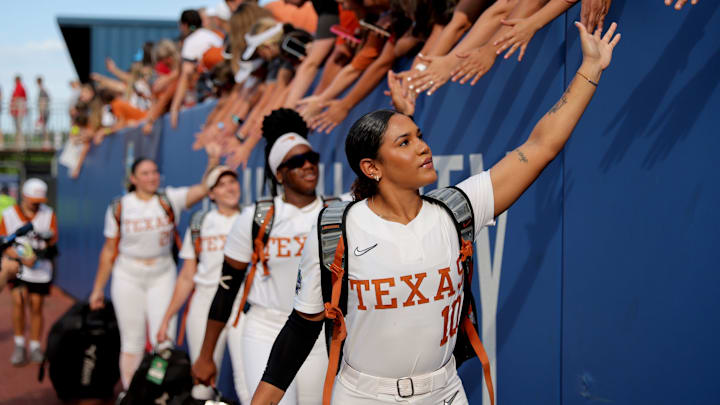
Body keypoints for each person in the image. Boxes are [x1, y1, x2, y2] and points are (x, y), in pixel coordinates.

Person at [251, 21, 621, 405]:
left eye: (420, 136)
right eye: (405, 142)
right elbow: (300, 331)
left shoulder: (457, 208)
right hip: (363, 396)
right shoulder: (336, 230)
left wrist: (590, 69)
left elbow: (542, 145)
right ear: (371, 168)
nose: (423, 148)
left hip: (445, 392)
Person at [193, 109, 332, 404]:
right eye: (296, 162)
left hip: (317, 331)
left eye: (312, 158)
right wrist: (206, 355)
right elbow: (227, 289)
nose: (308, 166)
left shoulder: (335, 212)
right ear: (279, 173)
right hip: (266, 329)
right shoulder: (256, 217)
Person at [88, 144, 221, 391]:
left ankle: (159, 392)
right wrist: (97, 289)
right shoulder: (120, 206)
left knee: (163, 340)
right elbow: (108, 251)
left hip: (162, 274)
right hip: (128, 274)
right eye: (145, 173)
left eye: (154, 172)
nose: (151, 177)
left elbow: (204, 189)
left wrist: (212, 160)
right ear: (133, 178)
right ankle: (132, 393)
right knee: (132, 342)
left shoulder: (169, 199)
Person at [155, 165, 250, 403]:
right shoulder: (200, 222)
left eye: (232, 182)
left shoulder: (251, 218)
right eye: (221, 184)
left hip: (243, 305)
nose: (229, 188)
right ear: (211, 193)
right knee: (203, 382)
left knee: (248, 383)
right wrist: (167, 317)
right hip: (206, 303)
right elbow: (187, 276)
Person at [0, 178, 58, 366]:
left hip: (40, 269)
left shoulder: (48, 214)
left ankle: (34, 346)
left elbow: (52, 243)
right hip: (16, 267)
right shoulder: (9, 214)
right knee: (18, 301)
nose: (36, 205)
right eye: (33, 200)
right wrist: (20, 257)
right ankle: (19, 344)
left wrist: (38, 256)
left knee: (36, 305)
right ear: (24, 196)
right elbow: (4, 243)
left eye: (39, 201)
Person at [10, 75, 27, 149]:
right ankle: (18, 144)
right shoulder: (18, 87)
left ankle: (20, 145)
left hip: (18, 112)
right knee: (18, 128)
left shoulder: (20, 87)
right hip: (17, 112)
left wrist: (14, 109)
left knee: (19, 128)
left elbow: (20, 99)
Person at [36, 76, 51, 149]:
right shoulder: (44, 90)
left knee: (44, 127)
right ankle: (46, 142)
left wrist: (41, 112)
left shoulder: (42, 90)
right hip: (45, 111)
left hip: (44, 112)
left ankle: (46, 143)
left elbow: (43, 101)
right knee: (44, 127)